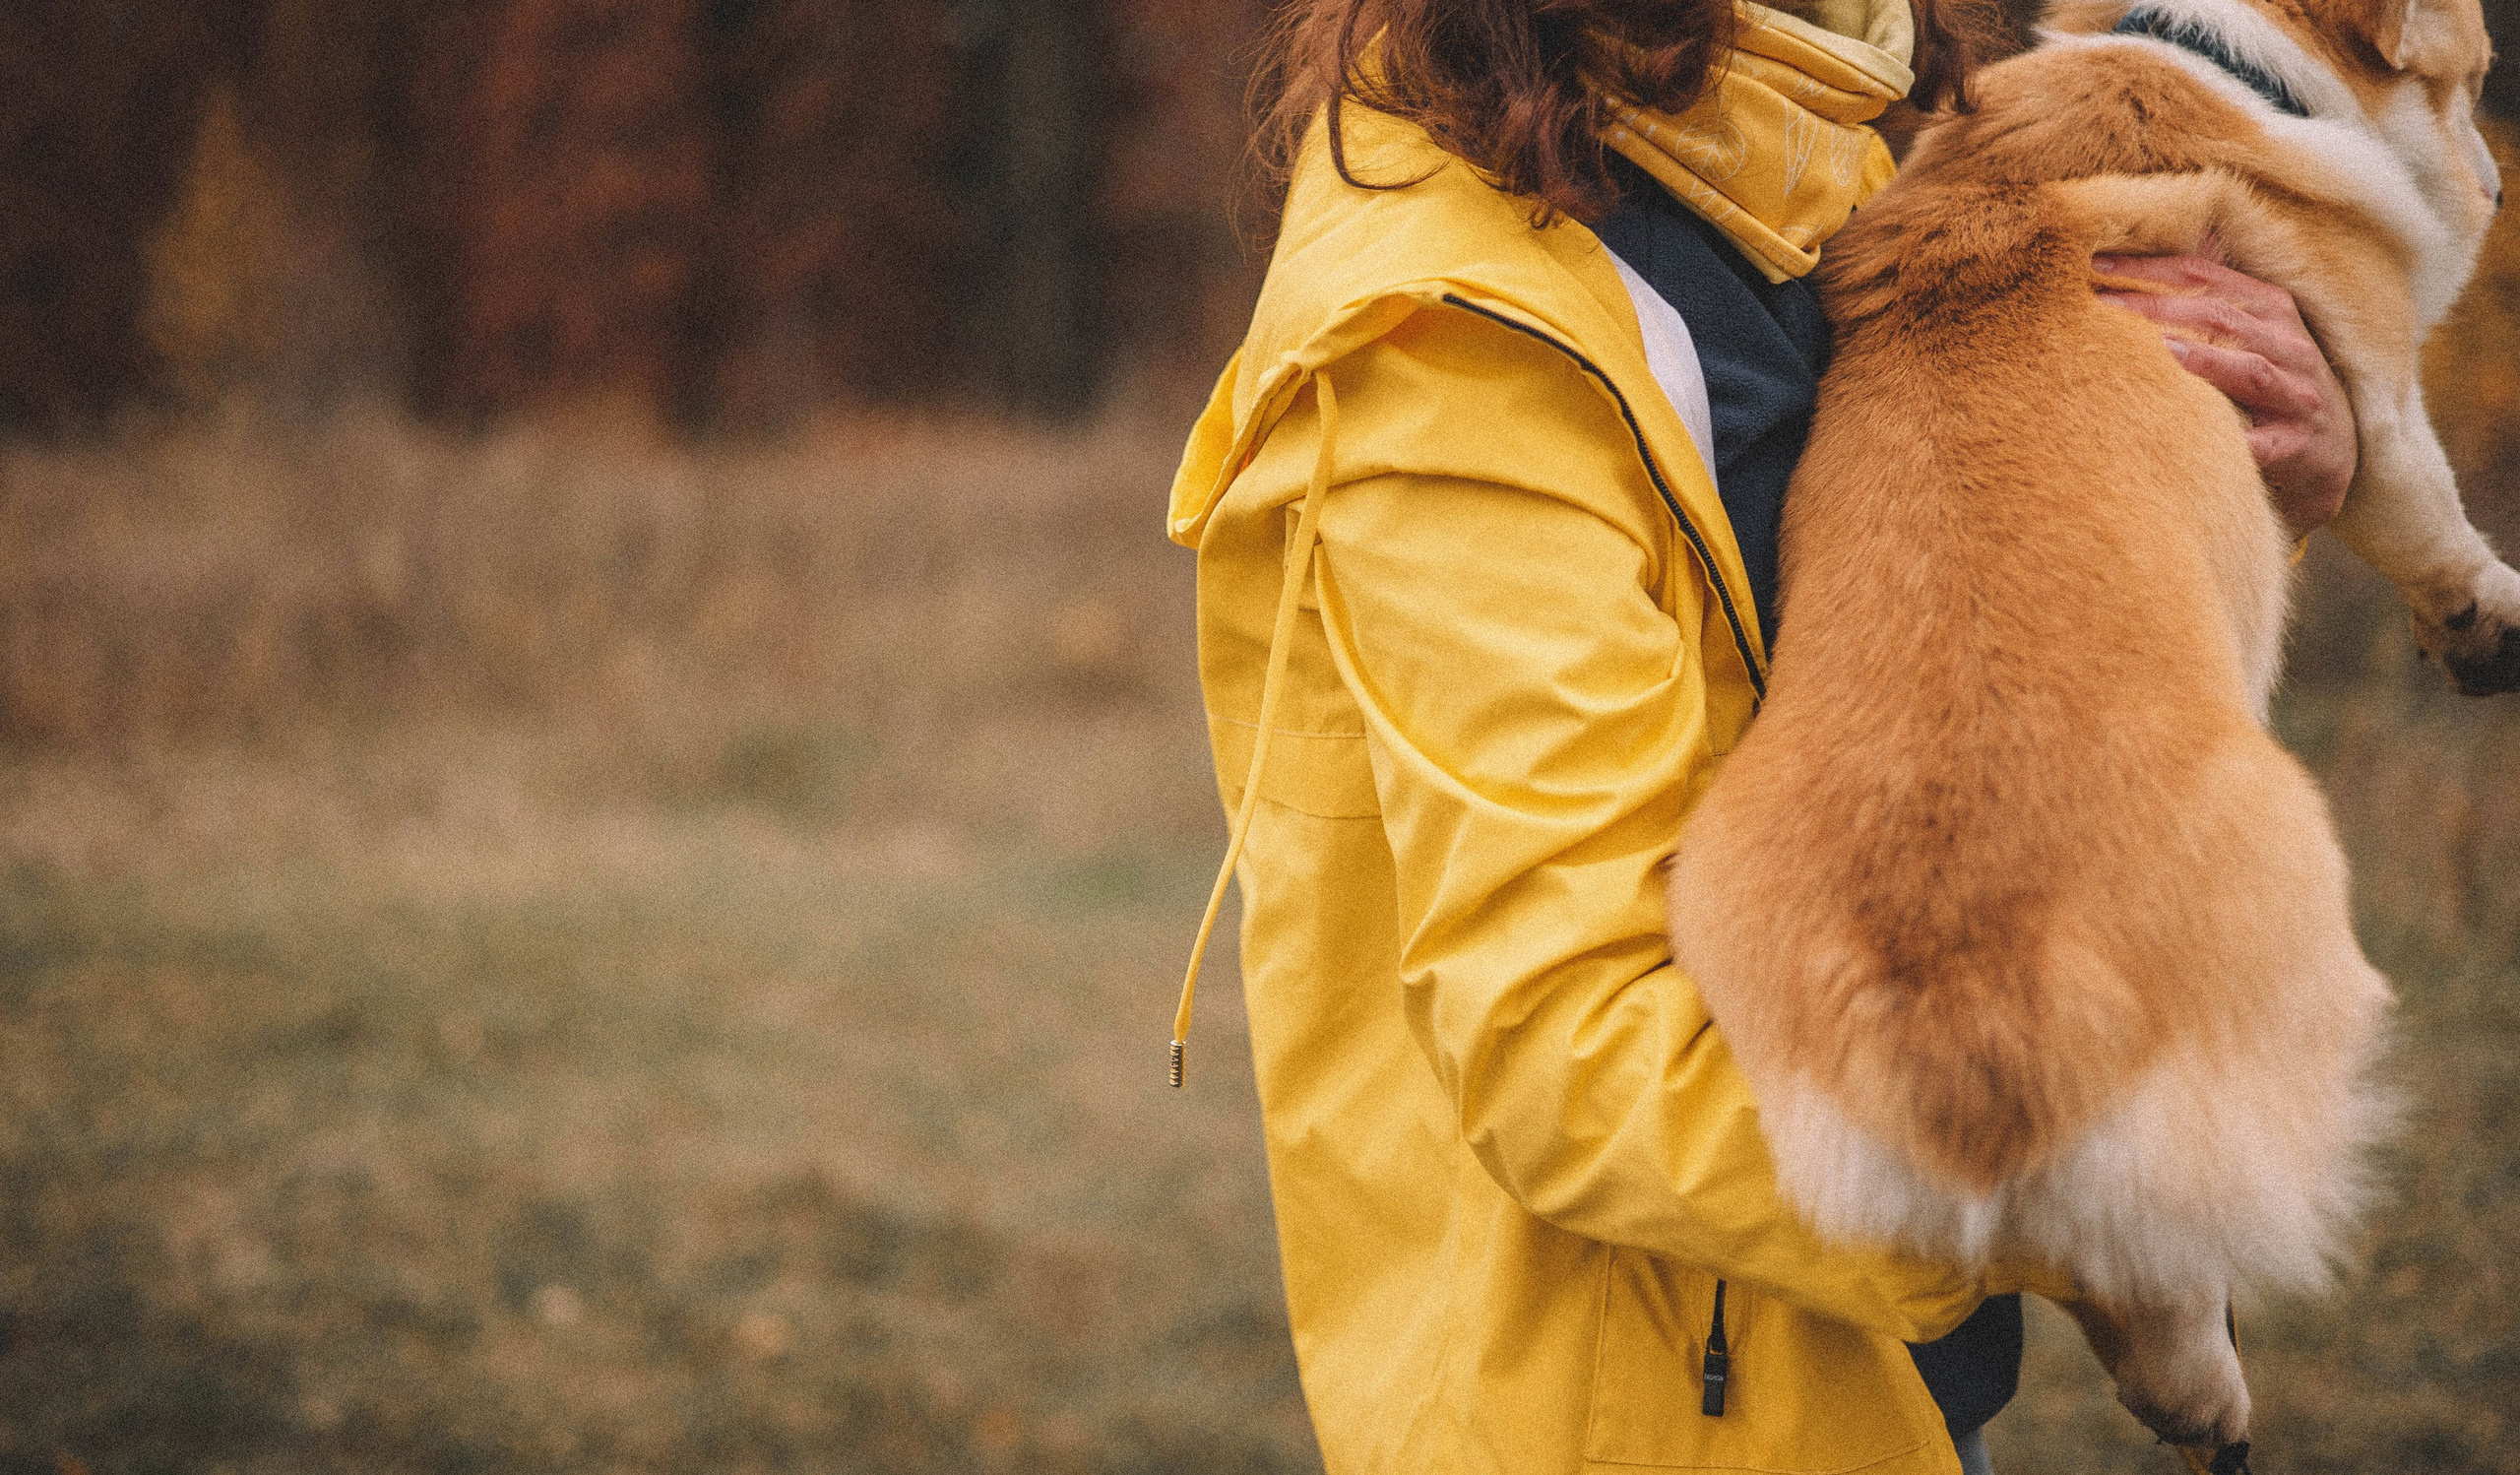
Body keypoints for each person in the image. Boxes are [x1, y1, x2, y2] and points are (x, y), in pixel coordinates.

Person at [1163, 2, 2358, 1471]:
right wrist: (2079, 1176)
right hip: (1648, 1410)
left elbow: (2017, 666)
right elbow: (1569, 1043)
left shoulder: (1831, 159)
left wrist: (2267, 487)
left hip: (1873, 1369)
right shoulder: (1455, 329)